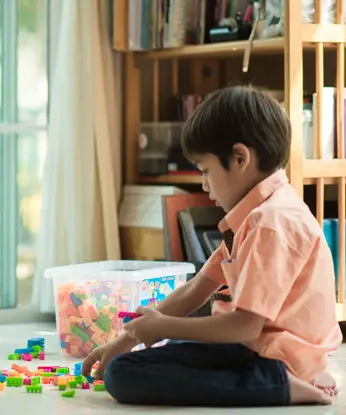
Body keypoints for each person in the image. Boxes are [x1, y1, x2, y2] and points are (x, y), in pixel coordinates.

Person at [82, 86, 342, 406]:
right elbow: (196, 289)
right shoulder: (255, 216)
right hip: (252, 348)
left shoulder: (272, 222)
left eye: (206, 171)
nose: (205, 186)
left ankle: (278, 384)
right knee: (166, 346)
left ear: (239, 158)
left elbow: (246, 326)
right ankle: (277, 379)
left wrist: (161, 327)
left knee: (123, 375)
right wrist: (126, 339)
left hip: (267, 355)